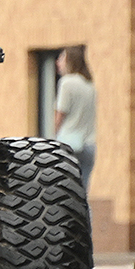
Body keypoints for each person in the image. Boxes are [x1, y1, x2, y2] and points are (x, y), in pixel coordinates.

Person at [53, 46, 97, 187]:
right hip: (89, 144)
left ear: (70, 60)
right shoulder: (89, 85)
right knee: (83, 192)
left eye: (61, 58)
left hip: (69, 143)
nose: (58, 62)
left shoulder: (67, 83)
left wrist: (54, 136)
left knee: (66, 189)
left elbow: (60, 114)